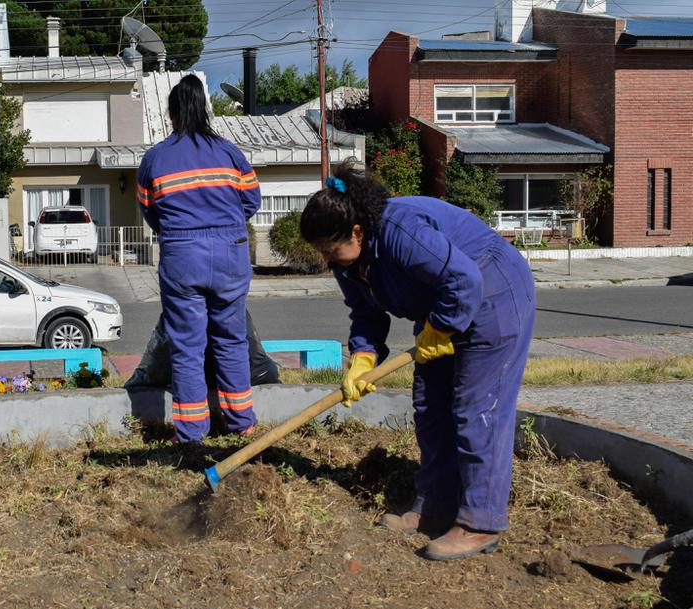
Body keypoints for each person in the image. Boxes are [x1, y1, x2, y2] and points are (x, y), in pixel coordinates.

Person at [299, 159, 535, 561]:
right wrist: (363, 355)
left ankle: (481, 522)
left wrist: (441, 327)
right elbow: (366, 312)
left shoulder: (399, 230)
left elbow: (463, 279)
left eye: (330, 249)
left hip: (494, 294)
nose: (327, 259)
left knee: (477, 409)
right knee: (430, 406)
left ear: (356, 231)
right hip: (442, 310)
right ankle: (435, 505)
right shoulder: (349, 260)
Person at [136, 74, 261, 444]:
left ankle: (191, 431)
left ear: (172, 115)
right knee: (231, 338)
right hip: (230, 253)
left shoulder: (155, 158)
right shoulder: (229, 152)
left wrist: (181, 231)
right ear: (206, 110)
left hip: (182, 254)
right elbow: (251, 201)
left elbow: (149, 211)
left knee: (188, 345)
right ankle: (242, 422)